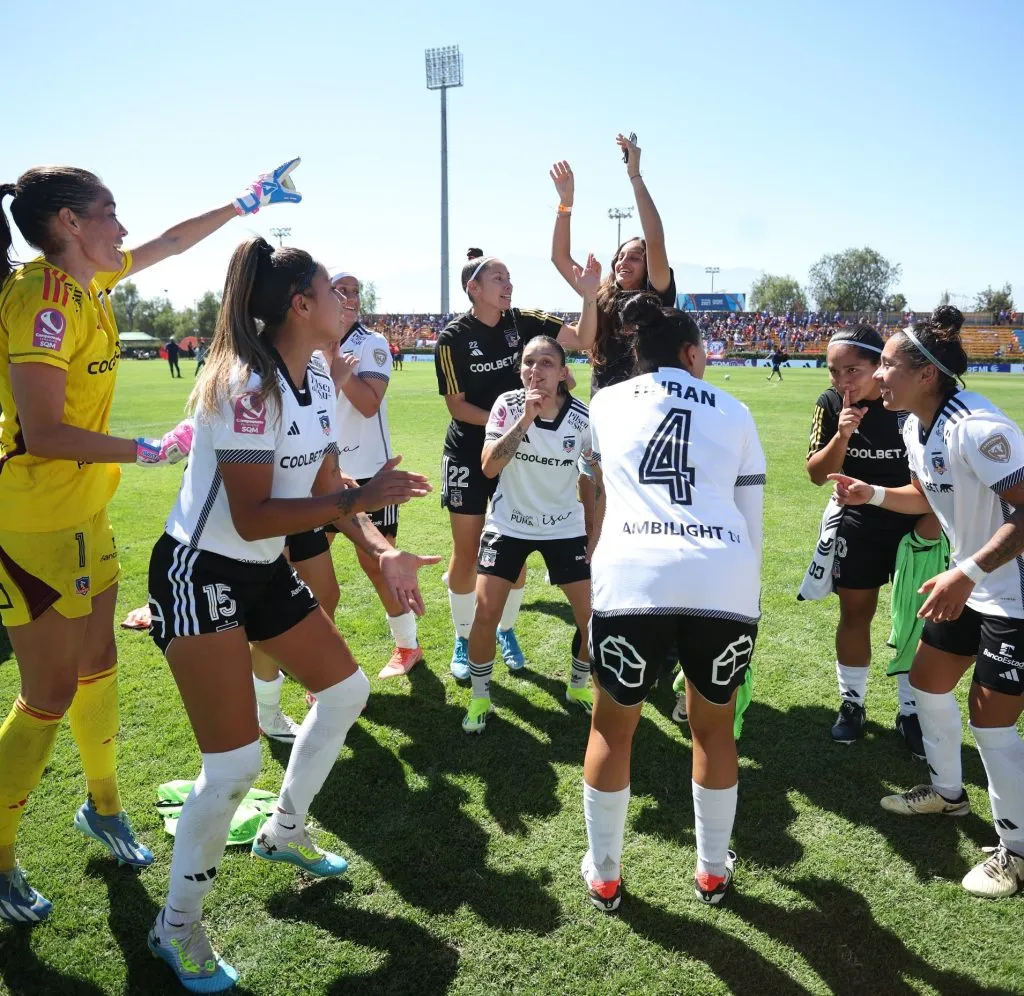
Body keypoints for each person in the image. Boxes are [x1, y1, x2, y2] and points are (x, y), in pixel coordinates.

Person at [0, 159, 299, 923]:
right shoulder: (44, 302)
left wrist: (246, 201)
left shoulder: (87, 285)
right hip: (33, 522)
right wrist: (148, 450)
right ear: (70, 224)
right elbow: (41, 431)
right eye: (109, 211)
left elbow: (170, 241)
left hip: (82, 513)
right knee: (48, 692)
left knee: (99, 664)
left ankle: (102, 807)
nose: (125, 228)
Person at [145, 237, 438, 991]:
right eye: (334, 293)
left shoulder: (312, 377)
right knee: (234, 765)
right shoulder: (244, 383)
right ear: (301, 306)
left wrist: (381, 548)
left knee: (346, 691)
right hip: (199, 569)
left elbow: (332, 481)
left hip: (259, 568)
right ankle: (175, 927)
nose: (350, 302)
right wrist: (354, 502)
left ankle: (285, 831)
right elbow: (250, 517)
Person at [831, 305, 1024, 899]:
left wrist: (964, 572)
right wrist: (874, 493)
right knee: (927, 682)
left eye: (886, 365)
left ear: (926, 375)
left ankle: (1015, 850)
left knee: (991, 715)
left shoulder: (979, 428)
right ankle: (947, 795)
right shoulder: (917, 426)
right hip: (974, 582)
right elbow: (927, 493)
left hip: (1012, 594)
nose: (876, 375)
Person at [580, 294, 765, 911]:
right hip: (723, 578)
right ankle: (712, 870)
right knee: (712, 728)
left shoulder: (605, 402)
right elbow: (751, 518)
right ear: (691, 352)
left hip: (633, 574)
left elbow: (595, 488)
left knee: (614, 725)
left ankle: (606, 873)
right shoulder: (736, 410)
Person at [434, 247, 599, 681]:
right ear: (474, 289)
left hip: (520, 449)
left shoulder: (521, 320)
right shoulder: (452, 337)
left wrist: (588, 295)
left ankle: (504, 630)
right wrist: (512, 420)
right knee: (468, 554)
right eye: (498, 279)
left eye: (509, 278)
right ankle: (463, 635)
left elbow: (582, 339)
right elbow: (457, 407)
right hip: (473, 452)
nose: (509, 285)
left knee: (515, 548)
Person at [803, 325, 941, 753]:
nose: (843, 382)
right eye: (834, 372)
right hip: (858, 524)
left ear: (879, 365)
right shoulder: (830, 404)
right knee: (856, 612)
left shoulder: (905, 403)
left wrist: (929, 524)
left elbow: (937, 480)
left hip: (912, 522)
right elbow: (814, 473)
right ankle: (852, 703)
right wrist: (843, 435)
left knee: (913, 618)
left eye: (853, 370)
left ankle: (910, 710)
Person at [462, 336, 595, 733]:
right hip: (509, 523)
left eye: (546, 364)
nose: (535, 370)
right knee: (485, 613)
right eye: (528, 362)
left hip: (564, 527)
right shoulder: (507, 406)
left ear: (563, 373)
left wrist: (592, 530)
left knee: (592, 619)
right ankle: (480, 696)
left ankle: (577, 686)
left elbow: (591, 477)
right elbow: (487, 467)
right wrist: (525, 420)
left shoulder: (582, 419)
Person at [550, 135, 676, 395]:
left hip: (647, 404)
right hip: (604, 408)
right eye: (620, 256)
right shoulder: (599, 293)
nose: (623, 262)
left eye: (634, 257)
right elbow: (560, 257)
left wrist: (635, 175)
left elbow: (654, 241)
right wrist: (565, 204)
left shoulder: (656, 294)